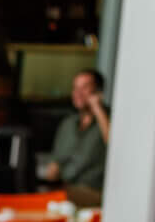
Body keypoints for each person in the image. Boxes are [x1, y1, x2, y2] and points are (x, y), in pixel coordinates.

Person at [40, 68, 110, 206]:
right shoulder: (68, 124)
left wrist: (97, 109)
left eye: (85, 87)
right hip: (65, 187)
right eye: (75, 88)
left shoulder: (107, 120)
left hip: (94, 191)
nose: (78, 93)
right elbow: (57, 161)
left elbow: (114, 145)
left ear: (98, 91)